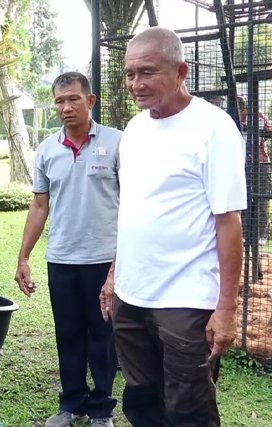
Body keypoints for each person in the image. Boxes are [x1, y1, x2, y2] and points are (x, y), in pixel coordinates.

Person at [100, 27, 247, 426]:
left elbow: (229, 222)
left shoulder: (214, 129)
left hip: (185, 299)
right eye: (129, 74)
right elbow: (132, 210)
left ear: (181, 71)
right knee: (141, 399)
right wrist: (115, 274)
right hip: (133, 295)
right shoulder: (135, 130)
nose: (136, 84)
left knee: (189, 407)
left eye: (147, 72)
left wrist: (227, 308)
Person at [15, 71, 121, 427]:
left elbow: (132, 205)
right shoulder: (47, 149)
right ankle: (71, 403)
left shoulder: (118, 143)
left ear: (90, 101)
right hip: (61, 259)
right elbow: (39, 206)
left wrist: (117, 265)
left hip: (104, 260)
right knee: (68, 333)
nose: (66, 107)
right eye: (59, 101)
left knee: (103, 337)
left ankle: (102, 410)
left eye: (73, 99)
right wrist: (24, 256)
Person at [237, 95, 272, 250]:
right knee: (241, 199)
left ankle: (260, 236)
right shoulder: (230, 118)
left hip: (260, 163)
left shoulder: (258, 117)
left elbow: (269, 132)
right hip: (240, 164)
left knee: (261, 200)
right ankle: (245, 234)